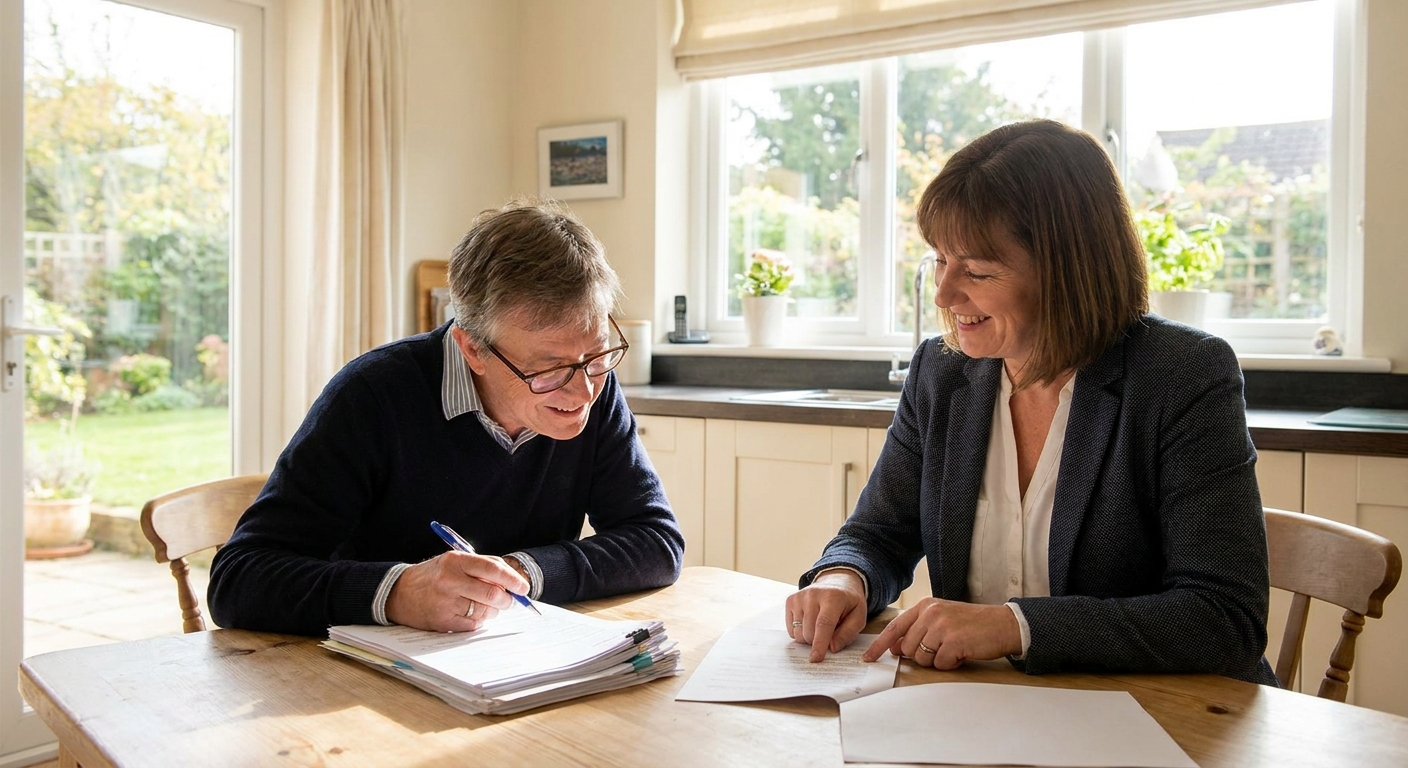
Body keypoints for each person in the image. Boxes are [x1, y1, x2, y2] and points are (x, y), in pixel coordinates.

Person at [785, 119, 1275, 685]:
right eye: (941, 260)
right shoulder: (941, 372)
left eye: (978, 270)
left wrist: (1014, 627)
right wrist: (844, 577)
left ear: (1069, 271)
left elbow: (1223, 618)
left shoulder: (1183, 375)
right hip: (988, 707)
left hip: (1162, 718)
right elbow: (879, 532)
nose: (944, 294)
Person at [209, 200, 685, 636]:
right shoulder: (372, 396)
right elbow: (239, 579)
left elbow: (656, 541)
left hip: (511, 669)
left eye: (598, 354)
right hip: (355, 688)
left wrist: (518, 573)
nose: (583, 390)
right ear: (471, 348)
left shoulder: (589, 382)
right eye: (548, 369)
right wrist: (397, 593)